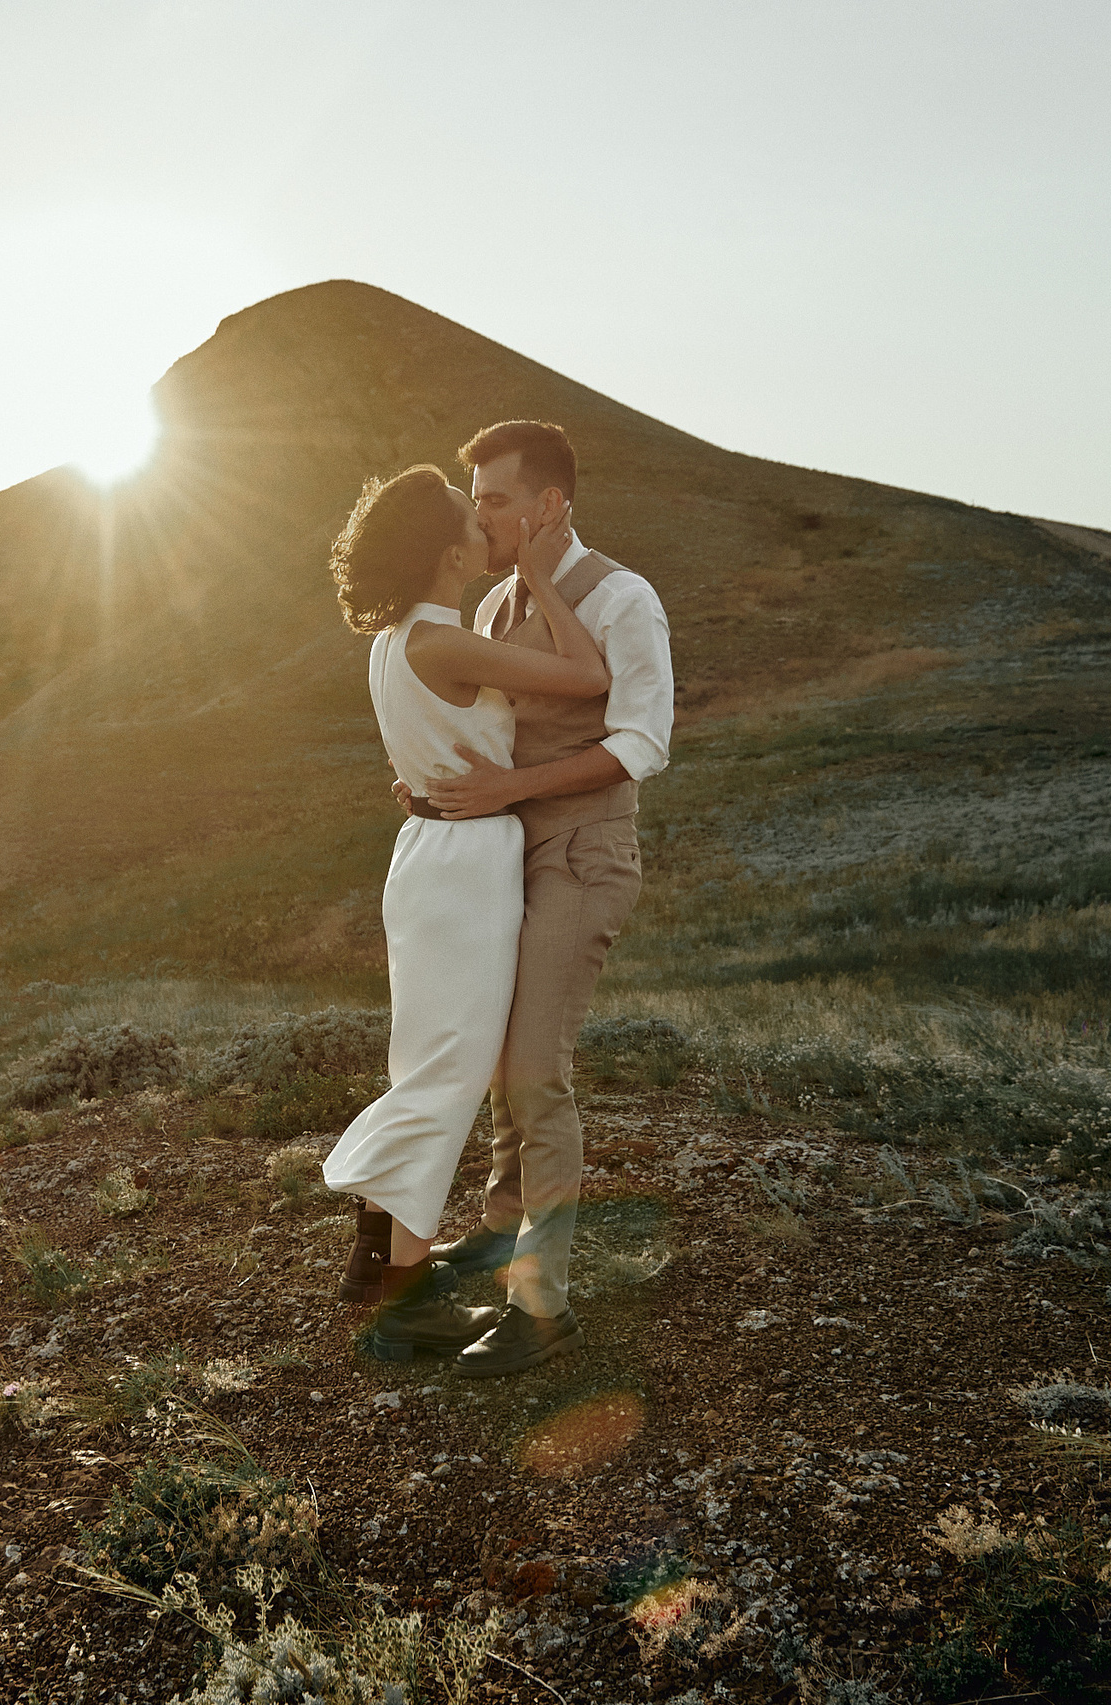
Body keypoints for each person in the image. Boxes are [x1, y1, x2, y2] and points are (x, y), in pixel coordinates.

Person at [318, 462, 608, 1364]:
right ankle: (404, 1299)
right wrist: (544, 581)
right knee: (447, 1075)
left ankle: (376, 1255)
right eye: (470, 517)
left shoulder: (394, 640)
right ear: (451, 555)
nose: (486, 524)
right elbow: (587, 672)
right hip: (467, 869)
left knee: (426, 1063)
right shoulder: (444, 642)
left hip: (427, 856)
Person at [406, 420, 674, 1378]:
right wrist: (437, 785)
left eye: (495, 500)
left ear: (549, 504)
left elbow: (642, 742)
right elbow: (497, 733)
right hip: (507, 853)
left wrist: (510, 791)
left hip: (585, 853)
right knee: (498, 1061)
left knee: (534, 1073)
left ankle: (541, 1304)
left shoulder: (625, 599)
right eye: (477, 500)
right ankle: (498, 1235)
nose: (479, 518)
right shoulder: (491, 609)